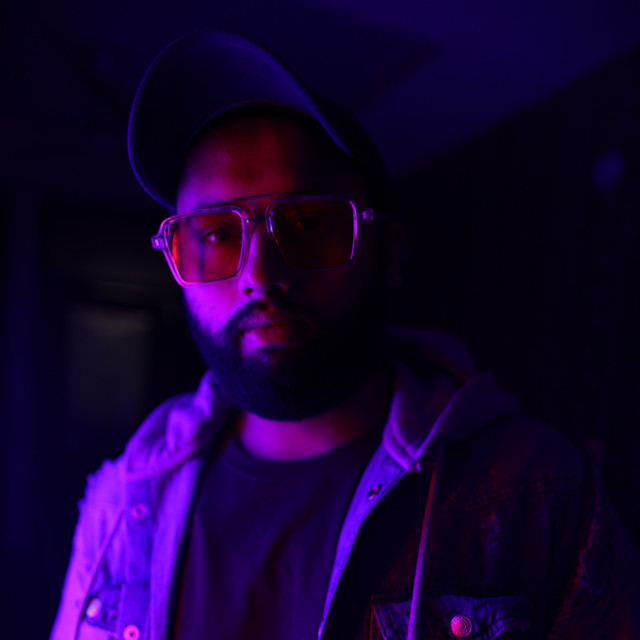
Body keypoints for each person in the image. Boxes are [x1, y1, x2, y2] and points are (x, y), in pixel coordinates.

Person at [51, 29, 640, 640]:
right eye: (218, 235)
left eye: (308, 224)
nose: (260, 276)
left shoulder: (539, 495)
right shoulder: (122, 503)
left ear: (389, 253)